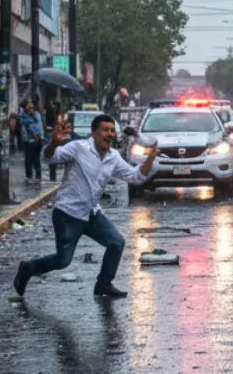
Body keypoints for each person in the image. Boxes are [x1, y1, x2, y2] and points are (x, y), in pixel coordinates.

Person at [14, 114, 158, 298]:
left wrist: (150, 158)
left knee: (116, 242)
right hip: (68, 213)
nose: (110, 134)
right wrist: (53, 143)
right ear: (94, 133)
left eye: (112, 130)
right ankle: (28, 268)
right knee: (63, 260)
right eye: (105, 130)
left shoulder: (113, 157)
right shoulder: (78, 148)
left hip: (91, 213)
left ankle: (103, 285)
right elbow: (49, 157)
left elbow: (135, 176)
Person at [20, 99, 45, 183]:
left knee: (34, 159)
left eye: (31, 103)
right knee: (30, 159)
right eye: (29, 103)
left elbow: (36, 126)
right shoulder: (23, 115)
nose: (31, 104)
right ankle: (31, 176)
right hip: (28, 140)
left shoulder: (36, 114)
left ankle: (36, 176)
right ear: (26, 106)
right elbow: (23, 123)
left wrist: (38, 137)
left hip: (36, 140)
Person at [44, 100, 60, 181]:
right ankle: (52, 177)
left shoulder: (54, 114)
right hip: (50, 136)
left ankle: (53, 177)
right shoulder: (50, 113)